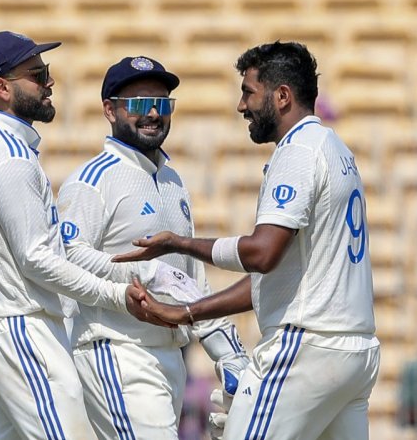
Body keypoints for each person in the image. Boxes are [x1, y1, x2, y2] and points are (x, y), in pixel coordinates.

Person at [114, 41, 381, 440]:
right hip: (355, 352)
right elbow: (278, 278)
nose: (242, 106)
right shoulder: (334, 147)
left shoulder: (298, 152)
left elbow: (262, 254)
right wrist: (189, 312)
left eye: (248, 92)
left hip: (306, 349)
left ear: (282, 96)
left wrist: (180, 244)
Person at [0, 30, 156, 440]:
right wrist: (115, 294)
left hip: (10, 326)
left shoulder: (1, 147)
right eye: (37, 74)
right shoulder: (8, 156)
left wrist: (126, 276)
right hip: (22, 326)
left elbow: (47, 252)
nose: (49, 82)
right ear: (2, 88)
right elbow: (36, 259)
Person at [56, 55, 248, 439]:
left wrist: (227, 350)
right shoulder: (91, 180)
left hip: (170, 355)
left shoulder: (174, 180)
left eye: (162, 104)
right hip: (116, 350)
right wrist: (146, 272)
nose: (153, 115)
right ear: (109, 110)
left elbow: (188, 279)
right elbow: (69, 257)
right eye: (140, 104)